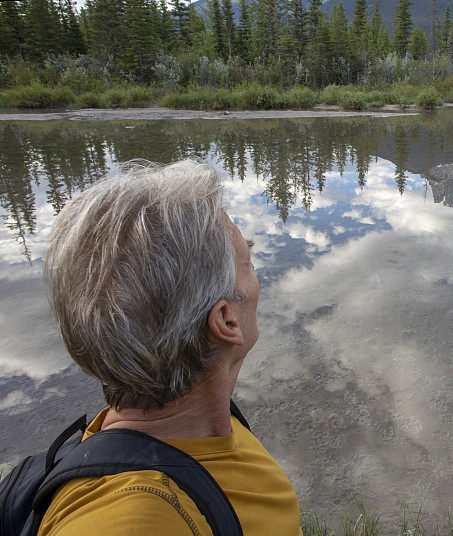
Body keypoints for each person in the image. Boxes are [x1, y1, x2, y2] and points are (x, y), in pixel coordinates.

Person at [37, 160, 303, 535]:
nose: (256, 277)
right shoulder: (134, 517)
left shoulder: (205, 422)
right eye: (249, 261)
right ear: (226, 320)